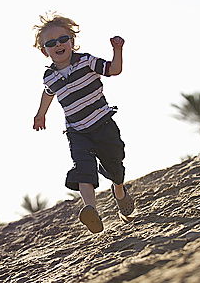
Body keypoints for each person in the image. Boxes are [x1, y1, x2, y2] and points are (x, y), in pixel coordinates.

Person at [33, 13, 134, 234]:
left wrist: (117, 50)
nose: (58, 45)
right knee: (83, 169)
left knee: (115, 165)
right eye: (51, 43)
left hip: (103, 124)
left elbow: (113, 70)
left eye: (63, 39)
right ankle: (90, 209)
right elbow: (47, 94)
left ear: (71, 41)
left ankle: (119, 190)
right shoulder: (49, 77)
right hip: (77, 131)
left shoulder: (86, 61)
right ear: (44, 51)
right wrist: (41, 114)